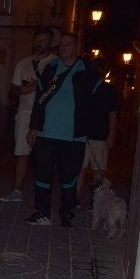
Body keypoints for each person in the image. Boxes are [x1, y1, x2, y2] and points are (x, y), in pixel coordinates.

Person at [25, 33, 95, 227]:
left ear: (77, 47)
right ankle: (42, 213)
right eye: (61, 44)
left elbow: (96, 102)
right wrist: (34, 127)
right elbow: (40, 100)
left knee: (69, 177)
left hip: (73, 136)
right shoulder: (51, 68)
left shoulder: (86, 70)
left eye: (68, 44)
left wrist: (92, 128)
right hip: (46, 133)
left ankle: (67, 212)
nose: (63, 48)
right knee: (42, 175)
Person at [1, 28, 54, 201]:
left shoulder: (55, 63)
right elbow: (13, 89)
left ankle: (44, 193)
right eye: (37, 40)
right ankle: (17, 190)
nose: (40, 43)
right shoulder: (23, 63)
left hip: (48, 115)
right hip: (25, 113)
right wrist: (24, 89)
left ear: (51, 43)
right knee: (22, 152)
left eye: (44, 40)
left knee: (45, 155)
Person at [78, 56, 119, 199]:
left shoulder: (109, 89)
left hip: (100, 135)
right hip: (83, 134)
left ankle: (95, 201)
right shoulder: (84, 86)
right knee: (80, 168)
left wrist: (111, 136)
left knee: (97, 169)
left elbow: (113, 114)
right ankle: (75, 199)